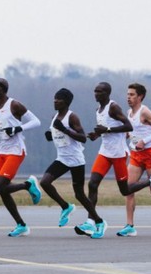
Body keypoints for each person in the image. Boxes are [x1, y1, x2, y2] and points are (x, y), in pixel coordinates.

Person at [78, 82, 151, 239]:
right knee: (92, 184)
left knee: (125, 190)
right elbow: (109, 130)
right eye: (95, 91)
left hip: (119, 154)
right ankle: (92, 221)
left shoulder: (114, 107)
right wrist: (96, 134)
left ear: (107, 93)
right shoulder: (99, 110)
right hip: (105, 152)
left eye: (99, 92)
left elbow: (127, 127)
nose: (96, 94)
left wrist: (109, 130)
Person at [0, 77, 42, 237]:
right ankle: (21, 225)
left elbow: (36, 121)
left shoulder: (14, 105)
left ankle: (28, 185)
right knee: (3, 191)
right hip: (3, 152)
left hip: (16, 150)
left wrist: (18, 128)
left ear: (4, 89)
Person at [38, 88, 107, 234]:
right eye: (54, 98)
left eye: (59, 99)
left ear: (66, 102)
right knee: (44, 182)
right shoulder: (54, 117)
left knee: (80, 195)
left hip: (76, 160)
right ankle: (65, 206)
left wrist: (64, 130)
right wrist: (50, 136)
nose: (55, 101)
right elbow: (57, 135)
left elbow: (82, 138)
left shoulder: (72, 117)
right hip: (62, 159)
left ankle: (100, 222)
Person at [118, 82, 151, 237]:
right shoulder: (129, 112)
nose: (128, 97)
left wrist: (144, 141)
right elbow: (134, 131)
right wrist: (127, 136)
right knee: (128, 188)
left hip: (149, 154)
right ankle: (129, 225)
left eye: (132, 95)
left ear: (140, 97)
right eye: (127, 94)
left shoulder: (144, 111)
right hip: (136, 154)